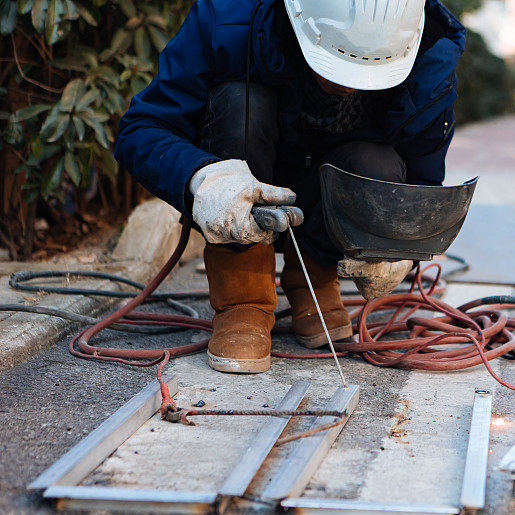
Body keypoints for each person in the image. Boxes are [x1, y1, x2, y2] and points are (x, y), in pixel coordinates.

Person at [114, 0, 465, 374]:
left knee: (376, 163)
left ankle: (312, 279)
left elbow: (422, 186)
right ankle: (242, 298)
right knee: (241, 103)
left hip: (330, 195)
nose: (349, 87)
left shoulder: (427, 50)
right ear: (300, 20)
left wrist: (400, 247)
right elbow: (141, 130)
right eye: (339, 66)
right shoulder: (228, 18)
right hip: (245, 181)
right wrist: (202, 177)